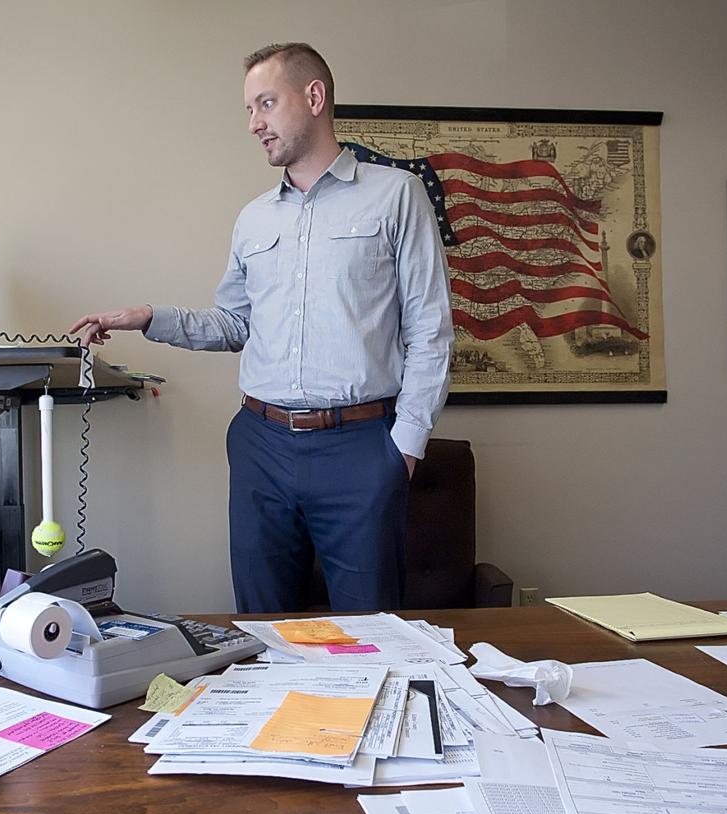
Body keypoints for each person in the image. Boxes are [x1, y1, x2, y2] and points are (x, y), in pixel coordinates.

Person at [70, 42, 453, 613]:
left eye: (266, 104)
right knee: (264, 630)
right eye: (250, 110)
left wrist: (404, 448)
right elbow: (234, 323)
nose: (254, 124)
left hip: (360, 450)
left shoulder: (396, 196)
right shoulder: (254, 218)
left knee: (371, 638)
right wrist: (147, 318)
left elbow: (432, 330)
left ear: (315, 97)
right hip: (260, 447)